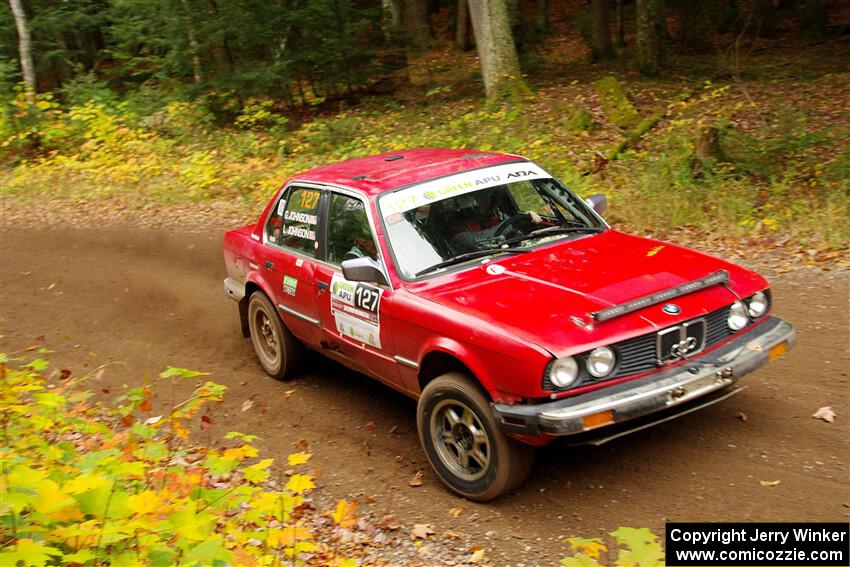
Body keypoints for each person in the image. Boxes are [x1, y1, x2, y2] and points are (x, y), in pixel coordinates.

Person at [450, 188, 542, 253]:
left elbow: (515, 233)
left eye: (494, 199)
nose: (493, 204)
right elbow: (471, 242)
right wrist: (515, 223)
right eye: (485, 199)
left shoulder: (499, 216)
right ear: (471, 203)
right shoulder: (458, 227)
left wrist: (527, 217)